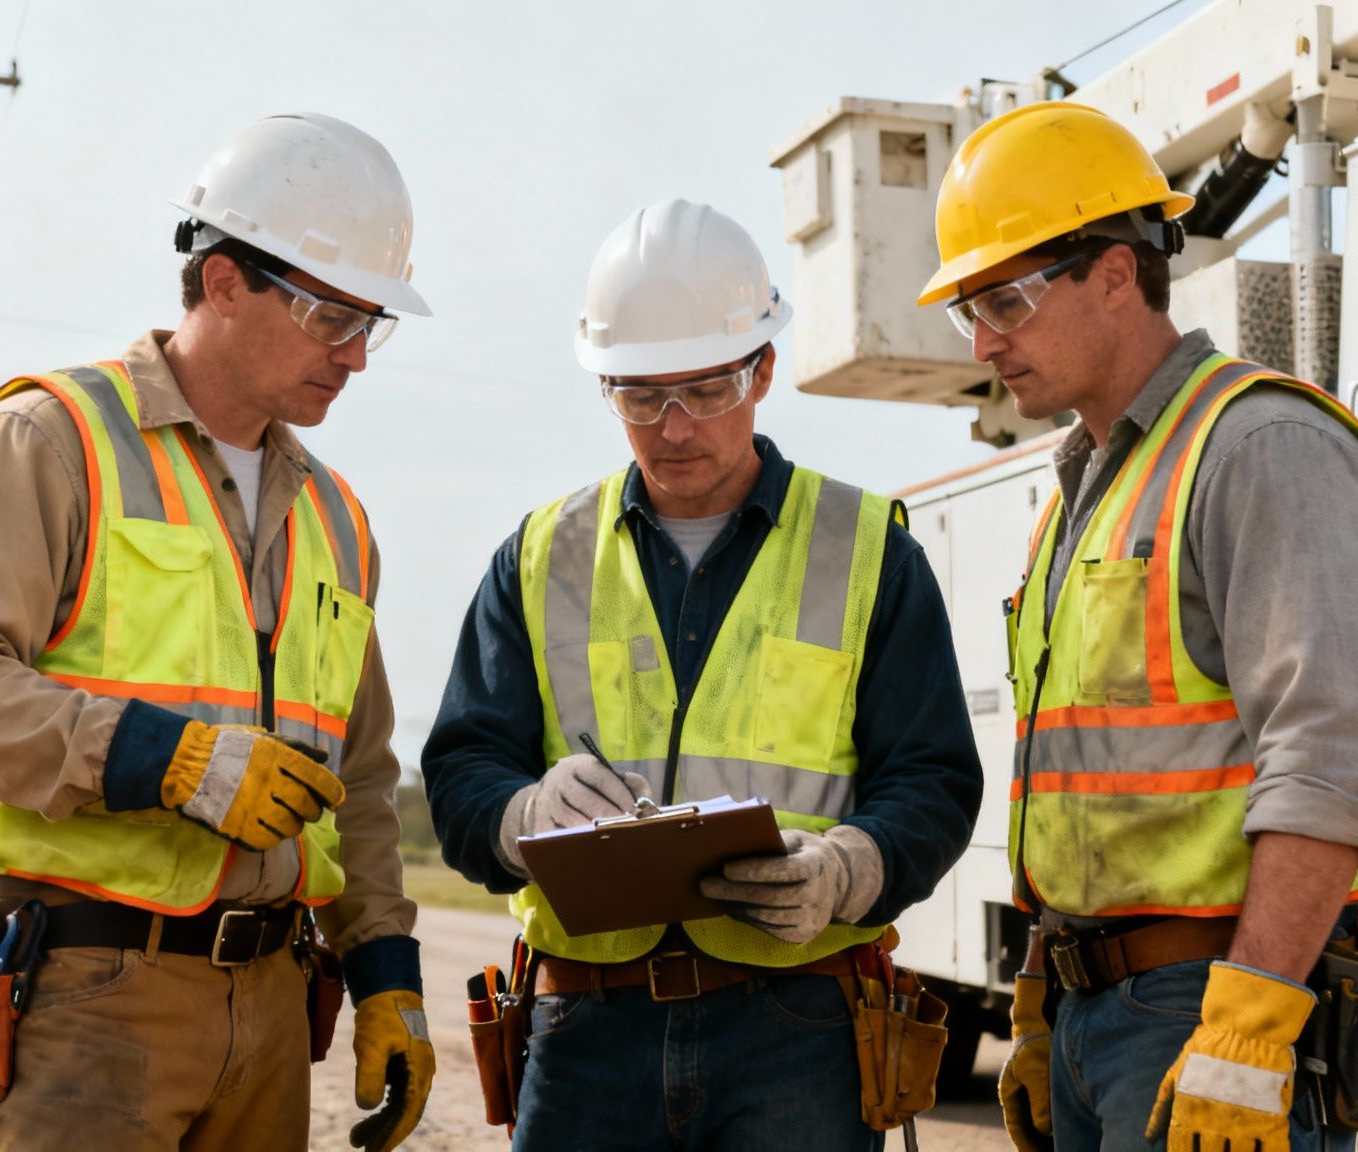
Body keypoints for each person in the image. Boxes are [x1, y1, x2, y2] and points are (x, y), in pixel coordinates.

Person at [0, 112, 435, 1151]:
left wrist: (384, 980)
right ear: (223, 282)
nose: (353, 357)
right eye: (329, 317)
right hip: (81, 998)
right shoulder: (47, 442)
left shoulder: (336, 520)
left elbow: (356, 779)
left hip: (269, 1008)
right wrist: (163, 759)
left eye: (371, 325)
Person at [420, 199, 984, 1151]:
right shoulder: (540, 556)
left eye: (706, 390)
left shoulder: (868, 552)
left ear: (763, 370)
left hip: (796, 1027)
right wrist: (524, 817)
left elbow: (934, 781)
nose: (674, 427)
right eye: (641, 396)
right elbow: (463, 775)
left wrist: (848, 870)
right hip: (584, 1027)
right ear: (605, 385)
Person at [917, 101, 1358, 1152]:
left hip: (1209, 1001)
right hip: (1103, 1014)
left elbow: (1330, 756)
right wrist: (1046, 996)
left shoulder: (1261, 446)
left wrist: (1251, 1022)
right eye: (969, 311)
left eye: (1004, 298)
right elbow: (1082, 784)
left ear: (1113, 272)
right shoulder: (1084, 489)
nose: (986, 341)